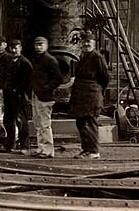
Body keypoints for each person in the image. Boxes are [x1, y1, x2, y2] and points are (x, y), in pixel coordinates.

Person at [70, 30, 109, 159]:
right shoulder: (82, 57)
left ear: (94, 43)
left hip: (92, 94)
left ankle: (94, 151)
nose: (86, 44)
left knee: (90, 122)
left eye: (89, 42)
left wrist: (97, 90)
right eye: (84, 42)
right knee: (80, 122)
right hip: (81, 94)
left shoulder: (97, 57)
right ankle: (86, 149)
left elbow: (104, 77)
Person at [29, 36, 64, 158]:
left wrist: (46, 88)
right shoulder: (36, 59)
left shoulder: (50, 60)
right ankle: (41, 148)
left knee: (45, 124)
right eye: (37, 44)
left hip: (45, 97)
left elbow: (58, 79)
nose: (38, 47)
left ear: (46, 46)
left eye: (41, 44)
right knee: (38, 123)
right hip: (36, 94)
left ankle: (48, 150)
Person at [0, 39, 32, 153]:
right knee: (7, 120)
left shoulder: (25, 63)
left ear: (20, 48)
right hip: (8, 95)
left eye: (16, 48)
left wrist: (18, 90)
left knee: (21, 120)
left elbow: (28, 81)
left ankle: (24, 146)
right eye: (12, 48)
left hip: (19, 96)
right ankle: (9, 145)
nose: (13, 50)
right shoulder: (9, 62)